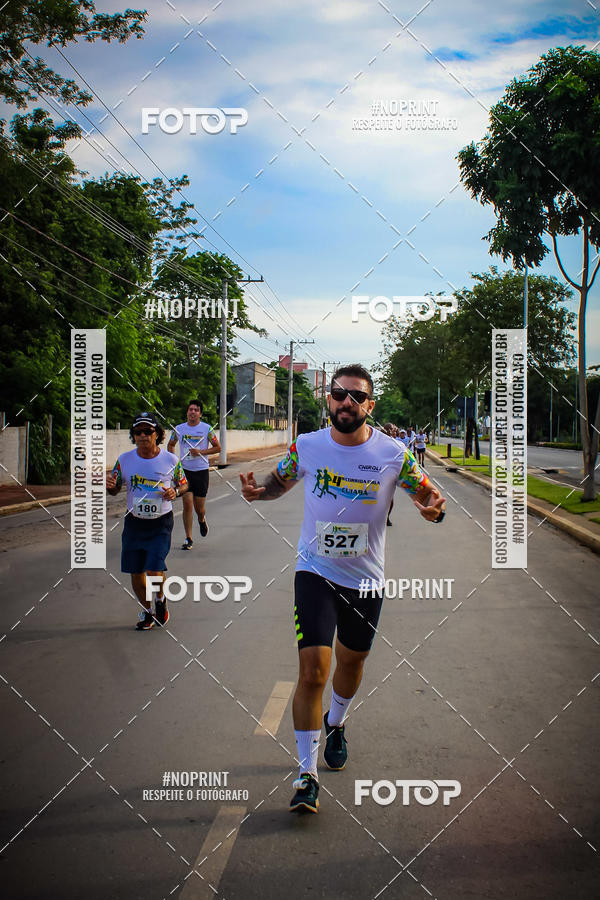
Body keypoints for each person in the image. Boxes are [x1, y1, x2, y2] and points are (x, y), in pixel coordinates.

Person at [239, 364, 446, 814]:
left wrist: (433, 509)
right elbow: (279, 481)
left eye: (355, 396)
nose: (345, 402)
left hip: (366, 581)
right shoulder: (308, 446)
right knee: (313, 670)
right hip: (314, 572)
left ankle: (337, 721)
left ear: (370, 406)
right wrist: (260, 493)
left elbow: (427, 494)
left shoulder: (393, 454)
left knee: (351, 665)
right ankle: (306, 775)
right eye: (338, 394)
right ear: (328, 401)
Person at [106, 412, 188, 630]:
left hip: (161, 521)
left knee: (153, 569)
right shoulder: (124, 460)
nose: (143, 436)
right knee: (136, 572)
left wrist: (175, 492)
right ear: (134, 436)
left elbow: (184, 484)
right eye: (138, 432)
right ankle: (149, 611)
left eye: (148, 431)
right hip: (134, 522)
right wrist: (110, 485)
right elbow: (114, 490)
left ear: (157, 434)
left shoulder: (170, 460)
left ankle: (160, 599)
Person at [167, 400, 221, 549]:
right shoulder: (179, 429)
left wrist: (201, 452)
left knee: (199, 507)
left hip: (201, 471)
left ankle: (202, 519)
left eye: (196, 410)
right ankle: (188, 538)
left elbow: (218, 448)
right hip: (185, 471)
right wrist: (174, 464)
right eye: (190, 409)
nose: (192, 412)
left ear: (200, 414)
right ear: (187, 412)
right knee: (187, 504)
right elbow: (171, 445)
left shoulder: (207, 429)